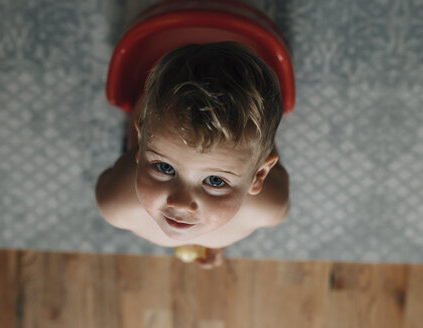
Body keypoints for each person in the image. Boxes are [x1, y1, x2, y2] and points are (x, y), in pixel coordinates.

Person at [95, 42, 289, 269]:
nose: (180, 204)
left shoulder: (269, 208)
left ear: (258, 176)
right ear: (141, 144)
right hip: (152, 120)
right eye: (164, 167)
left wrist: (219, 241)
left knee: (255, 141)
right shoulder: (117, 204)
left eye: (215, 181)